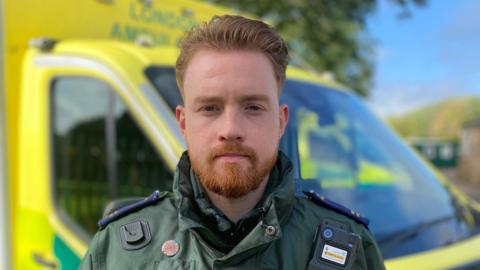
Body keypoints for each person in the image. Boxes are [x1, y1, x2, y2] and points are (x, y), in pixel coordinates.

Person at [79, 15, 385, 270]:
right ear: (184, 123)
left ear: (280, 121)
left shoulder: (351, 248)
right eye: (210, 108)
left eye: (253, 107)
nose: (230, 129)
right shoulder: (117, 251)